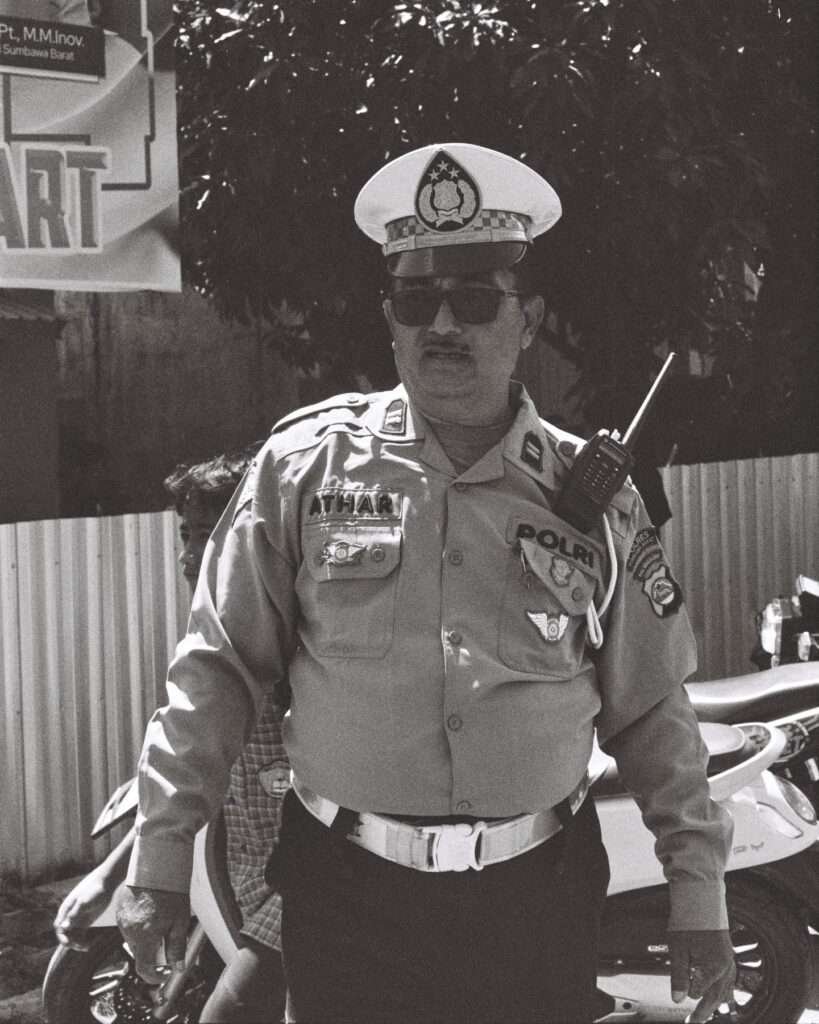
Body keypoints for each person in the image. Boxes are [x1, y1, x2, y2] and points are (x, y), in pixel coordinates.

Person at [116, 143, 736, 1024]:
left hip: (535, 901)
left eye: (476, 299)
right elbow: (217, 670)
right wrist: (159, 859)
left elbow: (650, 710)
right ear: (390, 316)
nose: (443, 324)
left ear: (526, 320)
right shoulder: (302, 469)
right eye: (416, 299)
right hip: (347, 897)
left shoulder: (593, 500)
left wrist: (698, 893)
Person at [54, 445, 287, 1024]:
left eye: (206, 534)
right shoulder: (212, 645)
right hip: (250, 903)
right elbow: (189, 783)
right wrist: (114, 878)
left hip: (302, 909)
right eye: (184, 533)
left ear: (248, 535)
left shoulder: (291, 648)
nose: (188, 555)